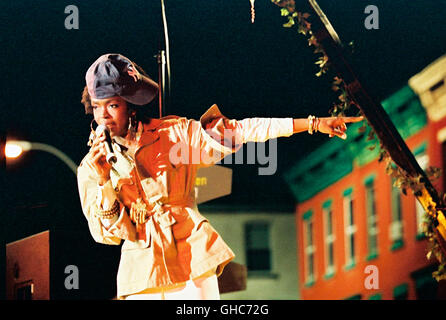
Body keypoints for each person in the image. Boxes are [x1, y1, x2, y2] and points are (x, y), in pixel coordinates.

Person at [77, 53, 363, 300]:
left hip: (192, 255)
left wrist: (311, 124)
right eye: (97, 105)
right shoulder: (91, 167)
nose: (104, 115)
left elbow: (242, 130)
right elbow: (108, 236)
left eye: (112, 105)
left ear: (129, 104)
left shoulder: (174, 135)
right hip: (142, 270)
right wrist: (105, 182)